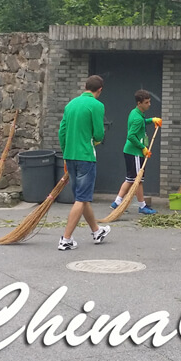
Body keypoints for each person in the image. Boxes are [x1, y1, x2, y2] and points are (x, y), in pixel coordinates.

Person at [57, 75, 111, 250]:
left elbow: (61, 132)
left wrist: (66, 153)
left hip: (70, 156)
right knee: (81, 198)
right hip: (86, 156)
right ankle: (66, 239)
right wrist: (94, 140)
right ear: (100, 90)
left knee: (83, 197)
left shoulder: (70, 104)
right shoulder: (97, 105)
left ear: (85, 86)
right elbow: (99, 134)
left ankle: (96, 231)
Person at [111, 89, 162, 215]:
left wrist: (152, 120)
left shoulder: (135, 113)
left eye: (149, 101)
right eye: (146, 102)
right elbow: (131, 136)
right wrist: (143, 148)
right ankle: (142, 206)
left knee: (130, 179)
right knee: (138, 180)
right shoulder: (138, 118)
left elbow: (142, 123)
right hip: (135, 152)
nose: (149, 104)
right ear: (139, 103)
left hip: (130, 151)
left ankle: (117, 202)